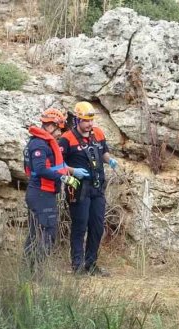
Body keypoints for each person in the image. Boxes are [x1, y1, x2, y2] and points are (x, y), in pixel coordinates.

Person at [58, 101, 119, 276]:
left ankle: (91, 264)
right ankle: (77, 265)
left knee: (97, 226)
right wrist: (73, 171)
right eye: (86, 120)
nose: (89, 124)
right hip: (78, 188)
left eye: (91, 120)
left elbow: (103, 151)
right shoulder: (67, 138)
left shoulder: (98, 133)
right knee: (80, 226)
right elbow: (58, 163)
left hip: (97, 187)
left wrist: (109, 160)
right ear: (77, 120)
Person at [23, 107, 80, 270]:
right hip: (41, 194)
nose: (60, 133)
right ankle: (38, 273)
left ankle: (28, 271)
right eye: (58, 129)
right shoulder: (39, 145)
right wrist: (64, 178)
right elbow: (40, 169)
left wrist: (69, 172)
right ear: (49, 126)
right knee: (46, 233)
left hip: (41, 194)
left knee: (36, 233)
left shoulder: (41, 142)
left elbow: (53, 166)